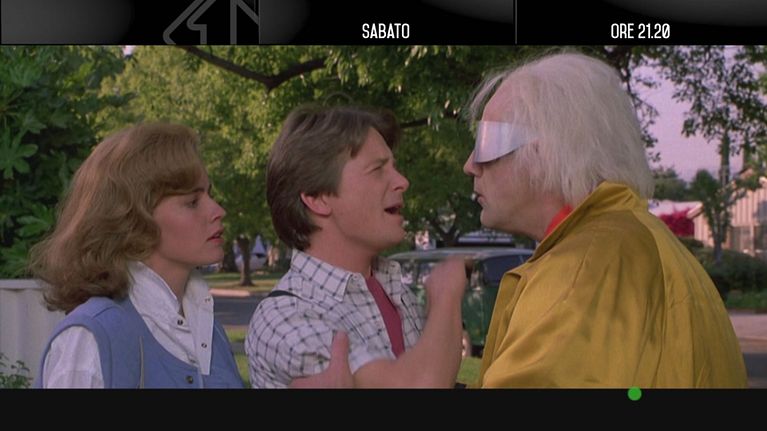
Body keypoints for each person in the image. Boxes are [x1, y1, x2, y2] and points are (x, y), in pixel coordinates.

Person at [462, 52, 748, 388]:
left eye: (486, 142)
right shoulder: (638, 242)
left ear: (548, 151)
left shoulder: (581, 269)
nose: (470, 165)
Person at [30, 122, 345, 388]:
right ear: (132, 219)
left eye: (210, 194)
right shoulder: (92, 339)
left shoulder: (209, 332)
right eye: (192, 202)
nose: (217, 211)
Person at [246, 105, 467, 388]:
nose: (402, 181)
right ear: (318, 198)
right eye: (377, 170)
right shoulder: (286, 317)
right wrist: (446, 298)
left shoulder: (396, 292)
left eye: (394, 167)